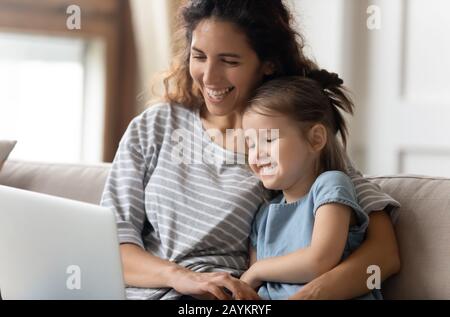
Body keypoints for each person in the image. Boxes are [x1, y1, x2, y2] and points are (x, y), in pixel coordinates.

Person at [100, 0, 400, 300]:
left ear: (267, 62)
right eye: (199, 56)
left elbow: (384, 253)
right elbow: (109, 244)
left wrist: (309, 295)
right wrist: (180, 277)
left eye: (229, 61)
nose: (209, 77)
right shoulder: (154, 126)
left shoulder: (289, 140)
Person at [240, 71, 382, 300]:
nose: (258, 154)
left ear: (315, 139)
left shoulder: (330, 186)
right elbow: (258, 291)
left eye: (268, 139)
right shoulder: (263, 215)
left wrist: (256, 271)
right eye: (251, 144)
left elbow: (320, 260)